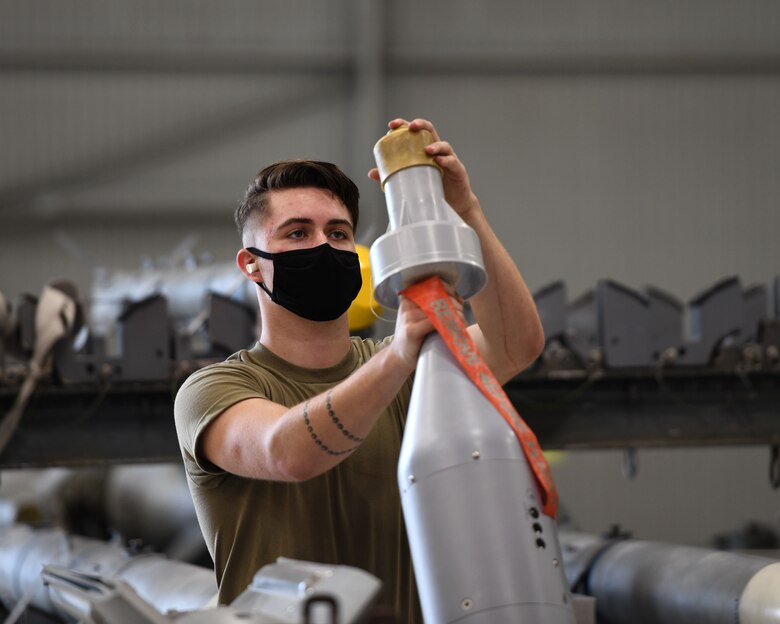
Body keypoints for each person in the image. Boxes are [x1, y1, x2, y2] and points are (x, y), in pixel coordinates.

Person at [174, 118, 545, 622]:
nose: (324, 246)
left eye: (339, 232)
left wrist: (464, 209)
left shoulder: (411, 369)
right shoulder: (215, 389)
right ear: (251, 264)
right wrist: (399, 356)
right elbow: (287, 453)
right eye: (297, 233)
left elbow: (516, 342)